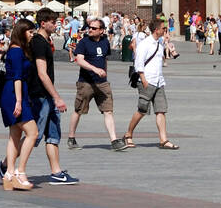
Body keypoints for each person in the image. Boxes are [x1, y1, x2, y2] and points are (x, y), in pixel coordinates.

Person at [25, 8, 78, 184]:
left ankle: (56, 172)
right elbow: (42, 73)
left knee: (53, 134)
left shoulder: (44, 41)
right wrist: (56, 97)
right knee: (34, 135)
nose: (56, 25)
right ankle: (6, 165)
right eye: (53, 22)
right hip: (40, 96)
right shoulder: (39, 42)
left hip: (46, 96)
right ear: (43, 23)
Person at [67, 17, 127, 152]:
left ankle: (114, 140)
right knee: (78, 110)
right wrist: (95, 69)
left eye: (94, 28)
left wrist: (104, 72)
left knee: (108, 111)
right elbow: (79, 60)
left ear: (101, 30)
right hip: (86, 83)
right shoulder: (83, 42)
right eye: (89, 27)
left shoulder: (105, 42)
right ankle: (71, 137)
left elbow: (104, 59)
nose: (90, 30)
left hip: (102, 83)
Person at [124, 16, 178, 149]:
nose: (165, 31)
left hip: (159, 81)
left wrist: (169, 46)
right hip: (147, 80)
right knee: (142, 110)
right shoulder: (145, 44)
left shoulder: (159, 44)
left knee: (161, 110)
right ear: (156, 30)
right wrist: (143, 80)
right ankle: (128, 134)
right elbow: (138, 63)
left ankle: (163, 140)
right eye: (163, 29)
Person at [0, 19, 38, 190]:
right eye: (30, 32)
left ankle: (9, 175)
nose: (32, 34)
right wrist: (19, 102)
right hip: (14, 95)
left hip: (11, 94)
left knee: (14, 135)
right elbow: (17, 78)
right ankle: (20, 172)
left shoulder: (15, 50)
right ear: (22, 32)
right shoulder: (17, 51)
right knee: (33, 133)